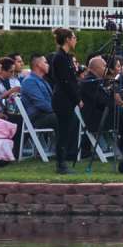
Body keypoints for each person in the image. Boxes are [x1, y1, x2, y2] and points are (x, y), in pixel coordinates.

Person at [45, 28, 81, 173]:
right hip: (62, 99)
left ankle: (64, 160)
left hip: (67, 99)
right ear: (67, 39)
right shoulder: (59, 57)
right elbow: (66, 82)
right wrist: (77, 99)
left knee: (68, 130)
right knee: (64, 132)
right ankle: (61, 164)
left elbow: (71, 79)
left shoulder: (66, 57)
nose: (75, 40)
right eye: (74, 37)